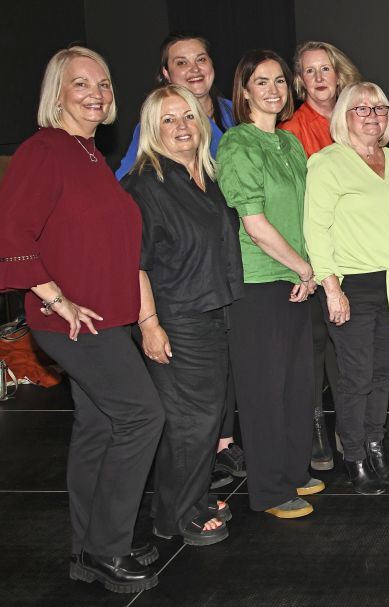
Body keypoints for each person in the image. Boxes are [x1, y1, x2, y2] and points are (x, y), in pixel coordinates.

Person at [0, 46, 163, 593]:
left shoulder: (90, 155)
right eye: (81, 84)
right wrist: (55, 298)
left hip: (105, 318)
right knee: (143, 417)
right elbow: (11, 231)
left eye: (104, 84)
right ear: (57, 94)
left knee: (98, 426)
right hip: (71, 322)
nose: (97, 93)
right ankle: (109, 547)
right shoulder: (43, 150)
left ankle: (90, 546)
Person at [122, 84, 243, 545]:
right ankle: (174, 515)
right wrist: (149, 325)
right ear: (152, 129)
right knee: (190, 421)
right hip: (176, 317)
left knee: (206, 417)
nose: (181, 128)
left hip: (212, 309)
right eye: (168, 120)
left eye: (188, 117)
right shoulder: (144, 186)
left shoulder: (204, 179)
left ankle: (191, 497)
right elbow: (133, 264)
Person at [217, 49, 321, 519]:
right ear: (244, 91)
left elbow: (306, 215)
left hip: (299, 277)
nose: (273, 90)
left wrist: (309, 269)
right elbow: (254, 223)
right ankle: (268, 490)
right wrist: (301, 268)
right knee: (263, 389)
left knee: (298, 385)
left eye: (280, 80)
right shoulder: (237, 144)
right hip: (259, 282)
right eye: (261, 82)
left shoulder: (290, 143)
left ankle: (295, 471)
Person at [305, 82, 389, 494]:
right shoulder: (327, 163)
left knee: (382, 374)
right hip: (351, 284)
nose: (372, 115)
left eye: (380, 108)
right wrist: (331, 288)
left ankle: (375, 446)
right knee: (355, 377)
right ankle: (353, 456)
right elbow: (316, 229)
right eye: (361, 109)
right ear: (343, 117)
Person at [280, 40, 363, 472]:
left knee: (345, 350)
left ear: (338, 72)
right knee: (315, 348)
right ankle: (316, 429)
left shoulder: (359, 114)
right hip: (318, 254)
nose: (318, 78)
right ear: (300, 80)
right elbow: (298, 204)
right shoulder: (293, 129)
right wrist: (307, 264)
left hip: (358, 253)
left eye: (325, 69)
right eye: (309, 71)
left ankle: (348, 429)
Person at [116, 33, 236, 180]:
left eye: (201, 59)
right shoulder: (155, 124)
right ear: (166, 73)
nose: (195, 69)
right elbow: (126, 181)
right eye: (182, 63)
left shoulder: (239, 112)